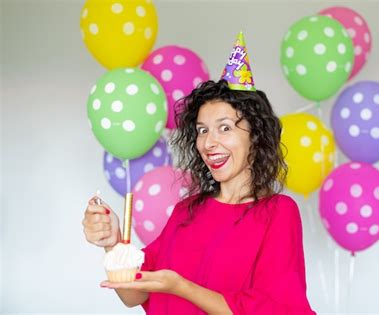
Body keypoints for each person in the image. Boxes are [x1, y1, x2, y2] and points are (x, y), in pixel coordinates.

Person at [82, 33, 316, 315]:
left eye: (225, 128)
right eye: (203, 130)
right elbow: (134, 294)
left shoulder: (277, 213)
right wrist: (113, 243)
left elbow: (274, 309)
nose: (208, 142)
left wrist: (181, 288)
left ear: (255, 137)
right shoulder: (186, 211)